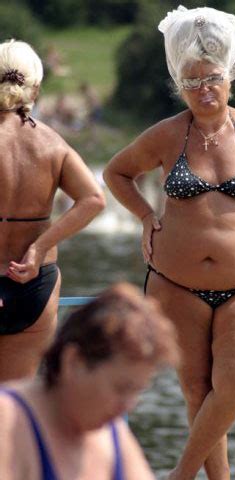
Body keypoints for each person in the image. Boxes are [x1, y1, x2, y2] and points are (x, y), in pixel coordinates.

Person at [104, 5, 235, 480]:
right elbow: (116, 173)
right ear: (180, 85)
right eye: (191, 81)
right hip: (175, 282)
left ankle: (179, 478)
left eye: (211, 78)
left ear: (229, 77)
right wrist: (146, 218)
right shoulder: (167, 134)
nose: (203, 89)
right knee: (197, 392)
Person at [0, 282, 178, 480]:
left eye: (136, 392)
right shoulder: (8, 419)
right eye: (120, 388)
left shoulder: (112, 429)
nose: (127, 406)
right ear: (73, 361)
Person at [0, 40, 105, 381]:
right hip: (33, 283)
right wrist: (40, 246)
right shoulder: (51, 144)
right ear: (37, 88)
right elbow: (93, 199)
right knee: (16, 408)